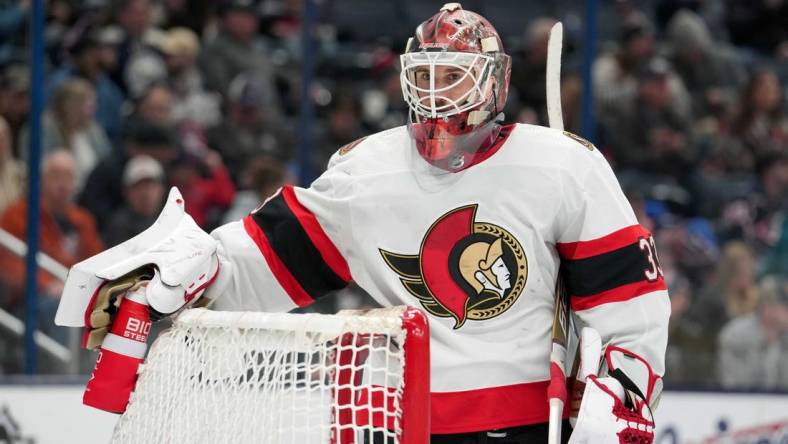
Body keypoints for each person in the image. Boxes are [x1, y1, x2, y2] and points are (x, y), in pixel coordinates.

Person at [60, 4, 669, 442]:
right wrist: (192, 270)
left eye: (453, 75)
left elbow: (630, 307)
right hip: (395, 419)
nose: (437, 93)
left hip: (529, 419)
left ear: (494, 83)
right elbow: (267, 261)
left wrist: (623, 388)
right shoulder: (367, 172)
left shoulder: (563, 166)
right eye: (425, 75)